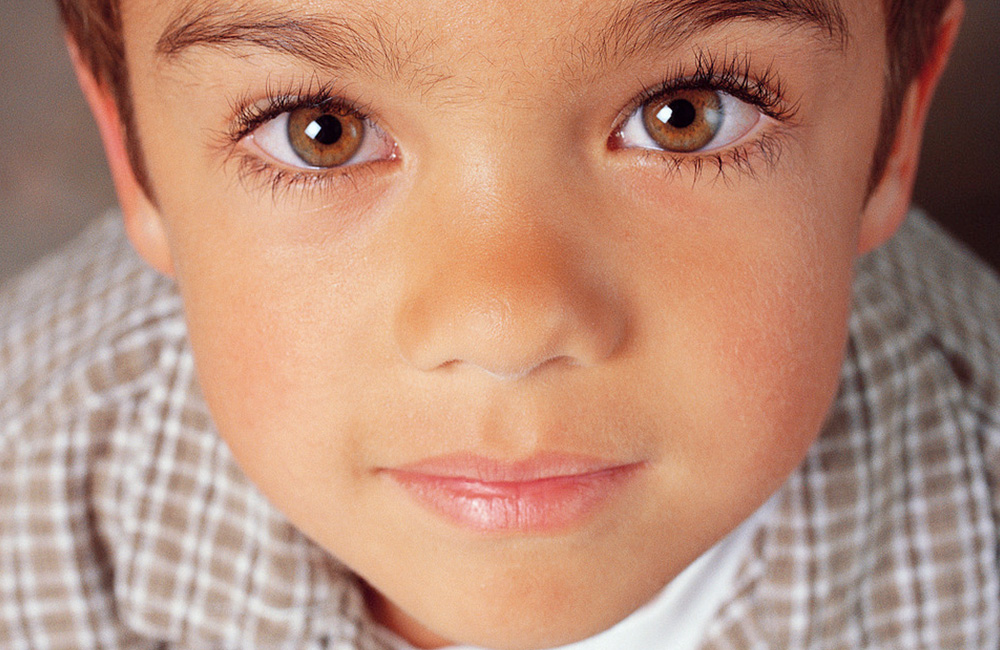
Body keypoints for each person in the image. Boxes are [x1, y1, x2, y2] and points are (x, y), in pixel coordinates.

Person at [2, 0, 997, 647]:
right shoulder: (30, 487)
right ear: (135, 160)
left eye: (686, 113)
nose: (506, 324)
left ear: (894, 123)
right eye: (322, 129)